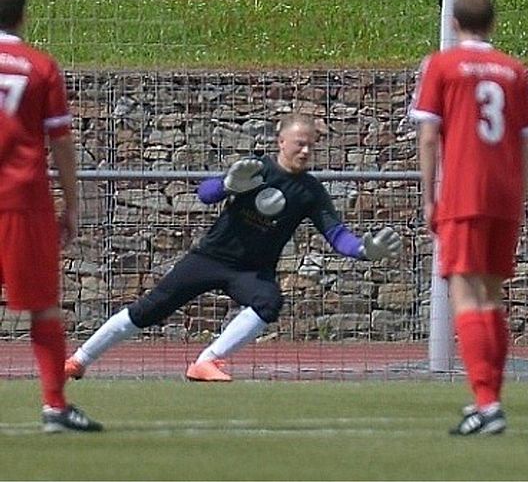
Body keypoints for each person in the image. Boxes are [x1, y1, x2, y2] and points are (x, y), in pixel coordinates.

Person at [64, 114, 402, 382]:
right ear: (280, 141)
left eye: (311, 146)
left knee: (269, 302)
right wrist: (226, 185)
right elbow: (205, 194)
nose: (305, 152)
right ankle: (80, 359)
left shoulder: (311, 191)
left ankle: (207, 362)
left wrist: (361, 250)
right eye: (299, 144)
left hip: (252, 271)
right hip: (210, 258)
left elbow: (336, 233)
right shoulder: (256, 168)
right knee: (149, 310)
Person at [410, 0, 528, 435]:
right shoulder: (513, 70)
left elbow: (429, 136)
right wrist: (520, 195)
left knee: (466, 295)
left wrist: (429, 196)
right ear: (493, 22)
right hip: (504, 196)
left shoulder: (441, 65)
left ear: (452, 21)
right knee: (491, 295)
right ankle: (490, 400)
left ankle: (486, 403)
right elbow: (527, 141)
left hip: (464, 193)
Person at [0, 0, 102, 432]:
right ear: (23, 14)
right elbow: (59, 139)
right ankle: (54, 407)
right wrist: (73, 202)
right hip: (23, 199)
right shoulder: (40, 66)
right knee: (42, 305)